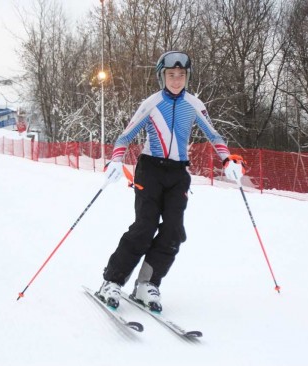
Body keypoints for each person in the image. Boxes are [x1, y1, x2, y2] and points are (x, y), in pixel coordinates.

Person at [97, 51, 246, 312]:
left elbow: (214, 135)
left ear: (187, 76)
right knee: (145, 226)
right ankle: (112, 281)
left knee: (174, 230)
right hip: (150, 170)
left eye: (181, 75)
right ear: (162, 76)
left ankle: (147, 284)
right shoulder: (152, 103)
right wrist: (116, 161)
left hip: (178, 174)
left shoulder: (194, 104)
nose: (176, 80)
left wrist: (228, 160)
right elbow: (125, 136)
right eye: (171, 75)